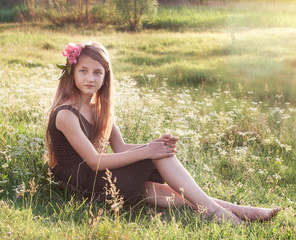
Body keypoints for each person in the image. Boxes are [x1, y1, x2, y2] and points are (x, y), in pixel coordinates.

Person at [45, 42, 280, 225]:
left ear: (106, 77)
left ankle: (240, 211)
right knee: (158, 156)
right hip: (85, 183)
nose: (90, 78)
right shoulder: (66, 114)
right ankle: (218, 212)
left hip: (103, 178)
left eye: (97, 72)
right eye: (83, 71)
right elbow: (95, 162)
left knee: (167, 192)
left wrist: (153, 145)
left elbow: (122, 148)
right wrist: (150, 151)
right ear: (72, 72)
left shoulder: (101, 108)